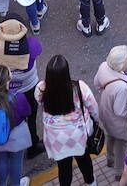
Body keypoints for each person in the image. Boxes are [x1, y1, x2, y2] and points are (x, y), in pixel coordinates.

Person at [34, 55, 100, 186]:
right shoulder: (79, 87)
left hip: (56, 138)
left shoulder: (40, 89)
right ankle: (90, 182)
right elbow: (93, 108)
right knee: (84, 161)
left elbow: (41, 104)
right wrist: (96, 120)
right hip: (79, 136)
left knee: (64, 168)